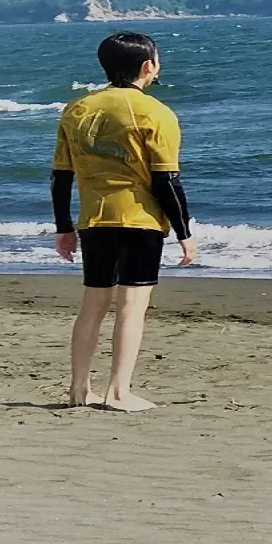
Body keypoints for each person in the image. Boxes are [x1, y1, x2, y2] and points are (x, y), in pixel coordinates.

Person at [51, 31, 197, 412]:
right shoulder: (157, 113)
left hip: (92, 219)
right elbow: (166, 180)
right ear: (148, 66)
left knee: (93, 303)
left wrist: (63, 226)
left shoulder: (76, 110)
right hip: (140, 221)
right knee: (132, 305)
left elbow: (61, 176)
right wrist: (184, 233)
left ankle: (79, 391)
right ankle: (118, 392)